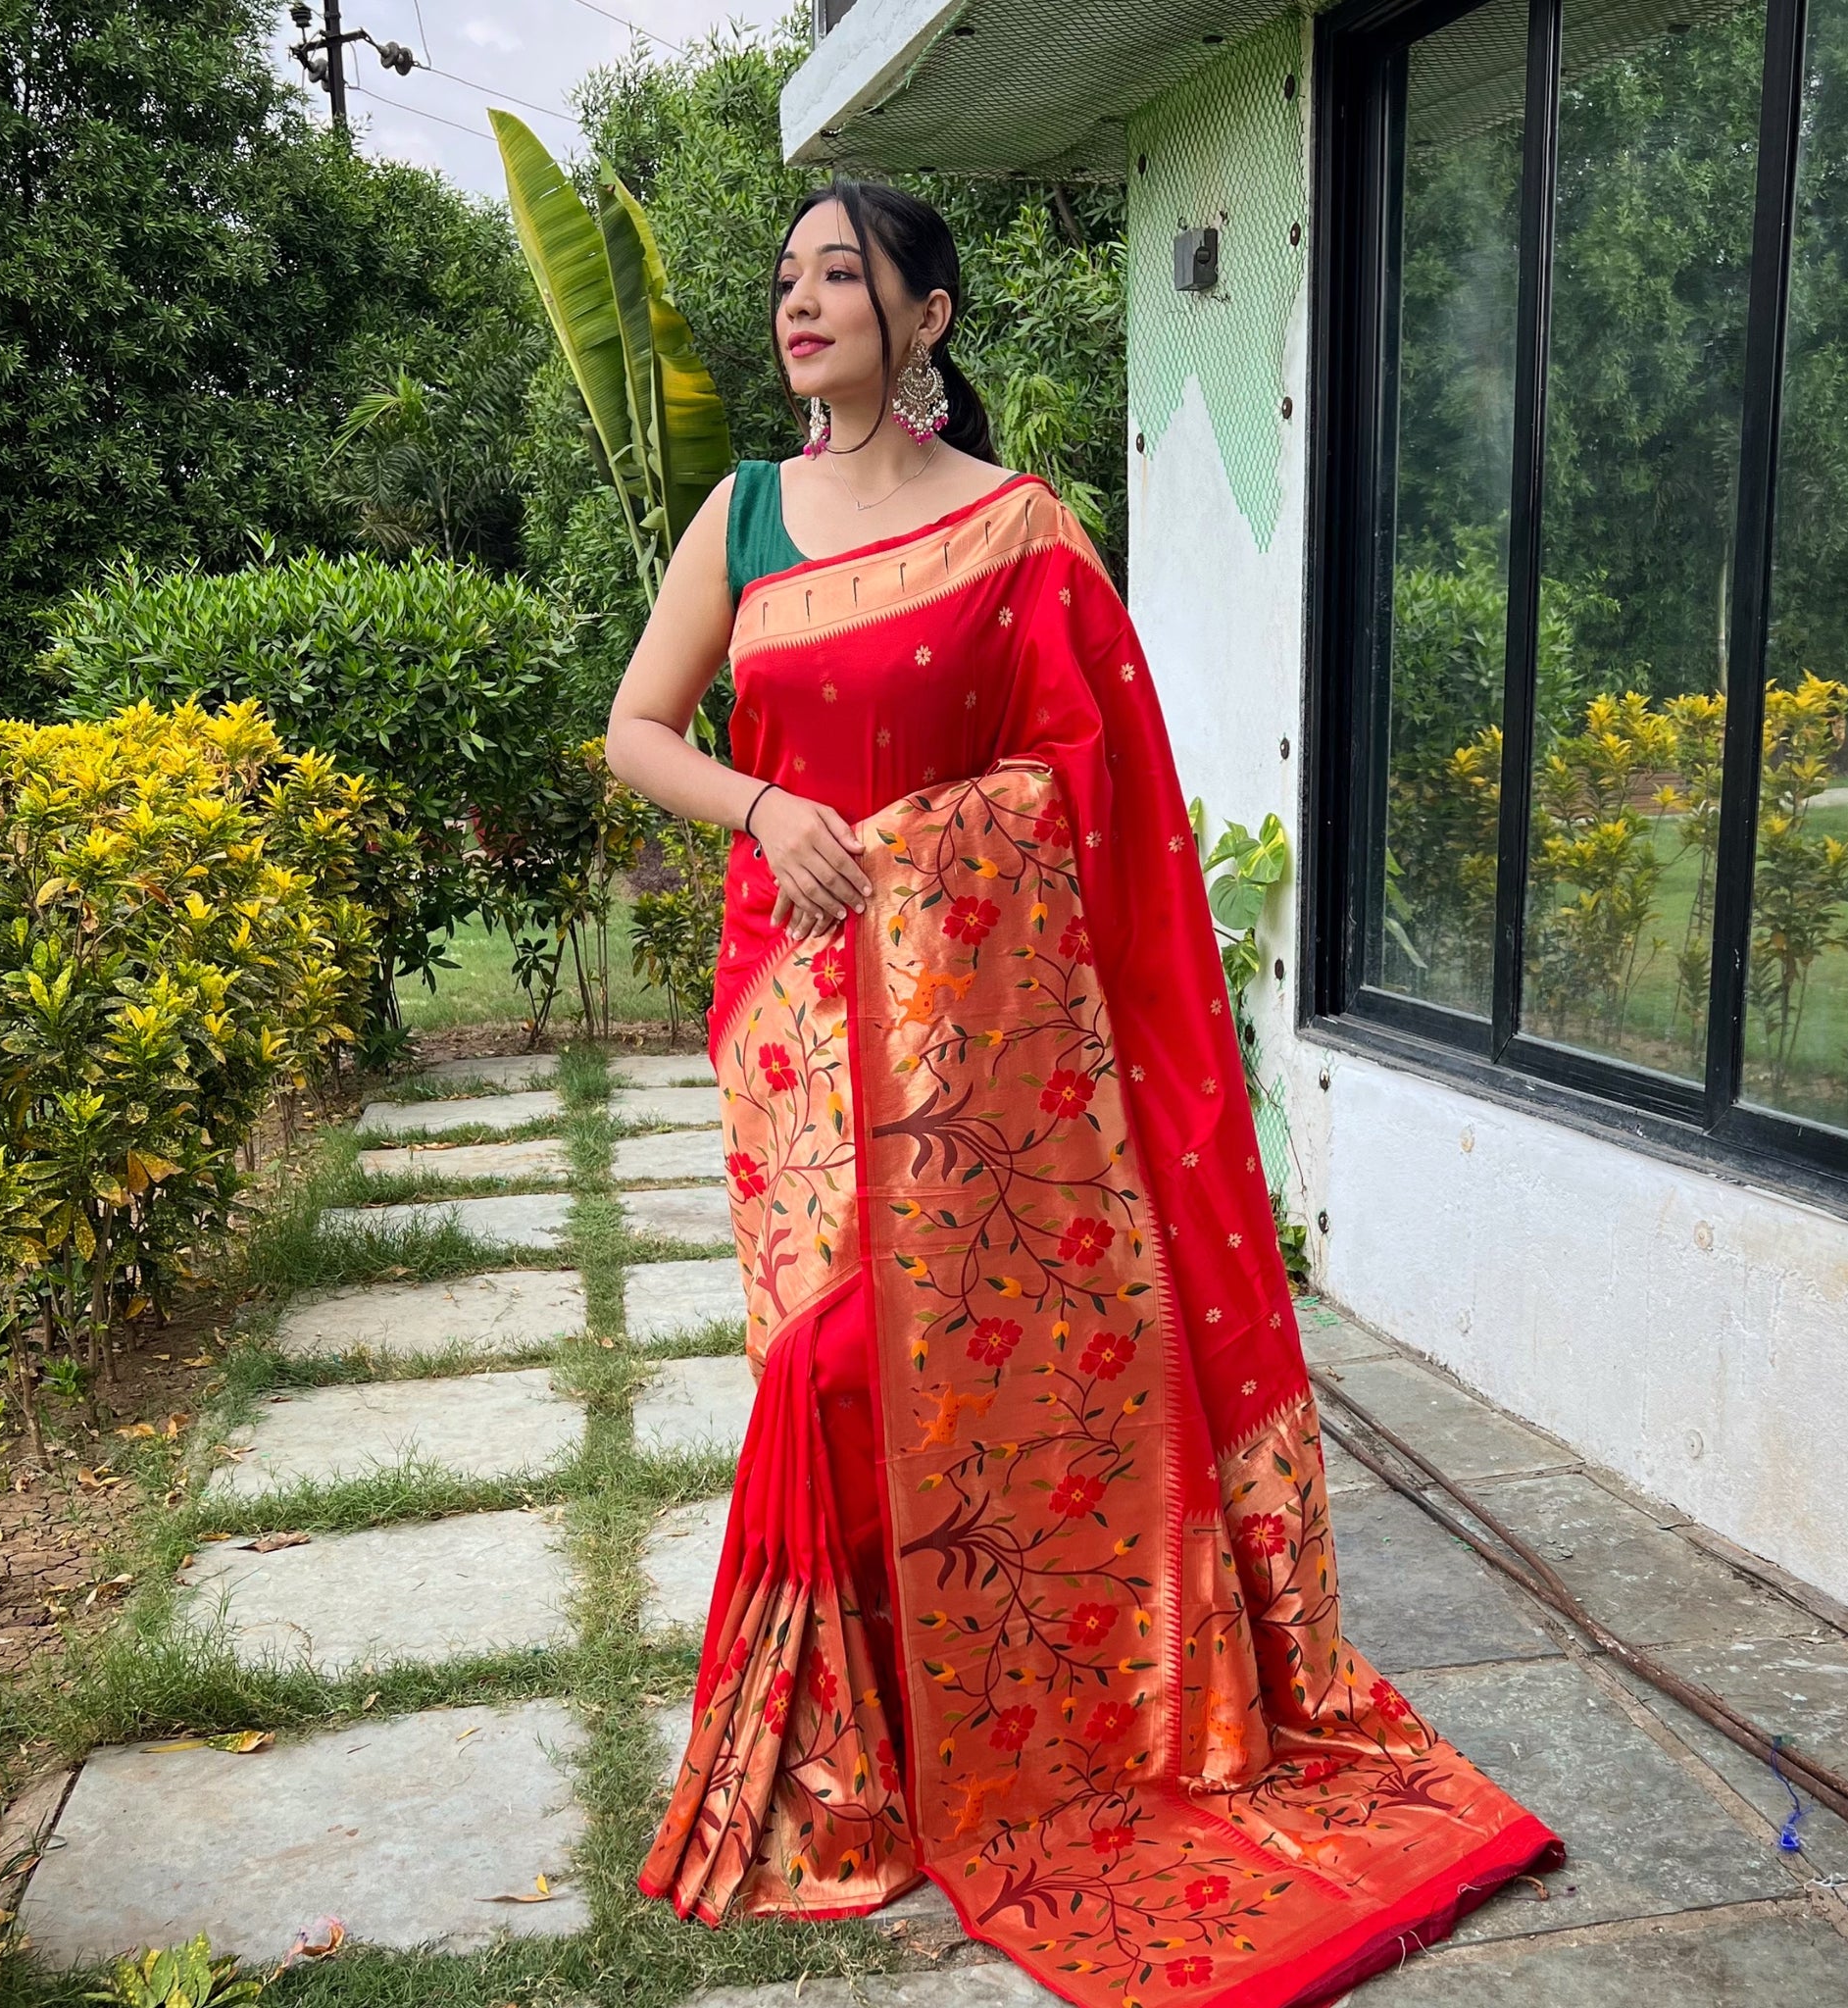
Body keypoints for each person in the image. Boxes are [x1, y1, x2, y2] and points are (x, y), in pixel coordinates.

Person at [603, 179, 1561, 2008]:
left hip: (977, 1035)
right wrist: (768, 808)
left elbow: (1089, 779)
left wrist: (935, 843)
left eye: (845, 276)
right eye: (789, 278)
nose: (803, 304)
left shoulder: (1016, 533)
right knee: (822, 1361)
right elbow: (645, 723)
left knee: (940, 1366)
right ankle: (845, 1756)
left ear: (928, 318)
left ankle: (1020, 1715)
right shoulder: (742, 518)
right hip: (798, 1019)